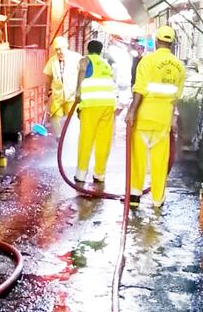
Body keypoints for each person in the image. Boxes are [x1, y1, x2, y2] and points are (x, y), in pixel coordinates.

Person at [125, 25, 184, 209]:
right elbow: (176, 97)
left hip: (144, 118)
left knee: (138, 160)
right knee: (160, 163)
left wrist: (131, 111)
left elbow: (139, 89)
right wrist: (173, 120)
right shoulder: (180, 67)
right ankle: (158, 201)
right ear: (171, 43)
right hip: (163, 121)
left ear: (157, 41)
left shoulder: (148, 60)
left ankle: (134, 198)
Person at [74, 39, 117, 183]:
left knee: (87, 138)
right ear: (100, 50)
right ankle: (100, 174)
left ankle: (81, 174)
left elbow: (81, 73)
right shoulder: (105, 64)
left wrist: (78, 94)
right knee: (103, 140)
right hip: (108, 105)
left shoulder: (85, 60)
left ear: (88, 49)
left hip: (92, 104)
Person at [43, 36, 82, 139]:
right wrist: (46, 94)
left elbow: (83, 74)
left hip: (72, 95)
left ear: (66, 47)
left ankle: (70, 137)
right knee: (54, 116)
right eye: (57, 49)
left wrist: (81, 91)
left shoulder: (76, 58)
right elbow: (48, 78)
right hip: (58, 95)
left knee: (72, 118)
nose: (59, 52)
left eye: (61, 48)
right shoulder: (52, 61)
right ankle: (59, 137)